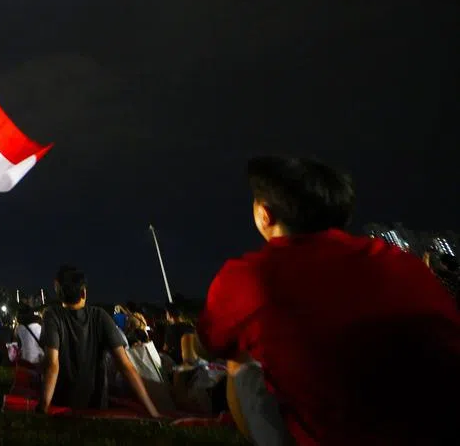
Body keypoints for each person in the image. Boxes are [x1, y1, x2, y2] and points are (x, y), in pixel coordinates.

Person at [198, 156, 460, 446]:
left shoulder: (248, 275)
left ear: (264, 214)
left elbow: (213, 344)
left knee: (239, 362)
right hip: (438, 424)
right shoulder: (402, 264)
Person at [39, 266, 161, 417]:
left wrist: (43, 407)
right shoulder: (100, 316)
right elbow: (125, 366)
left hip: (61, 403)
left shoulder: (51, 315)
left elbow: (52, 364)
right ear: (84, 292)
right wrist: (153, 412)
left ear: (58, 292)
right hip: (96, 404)